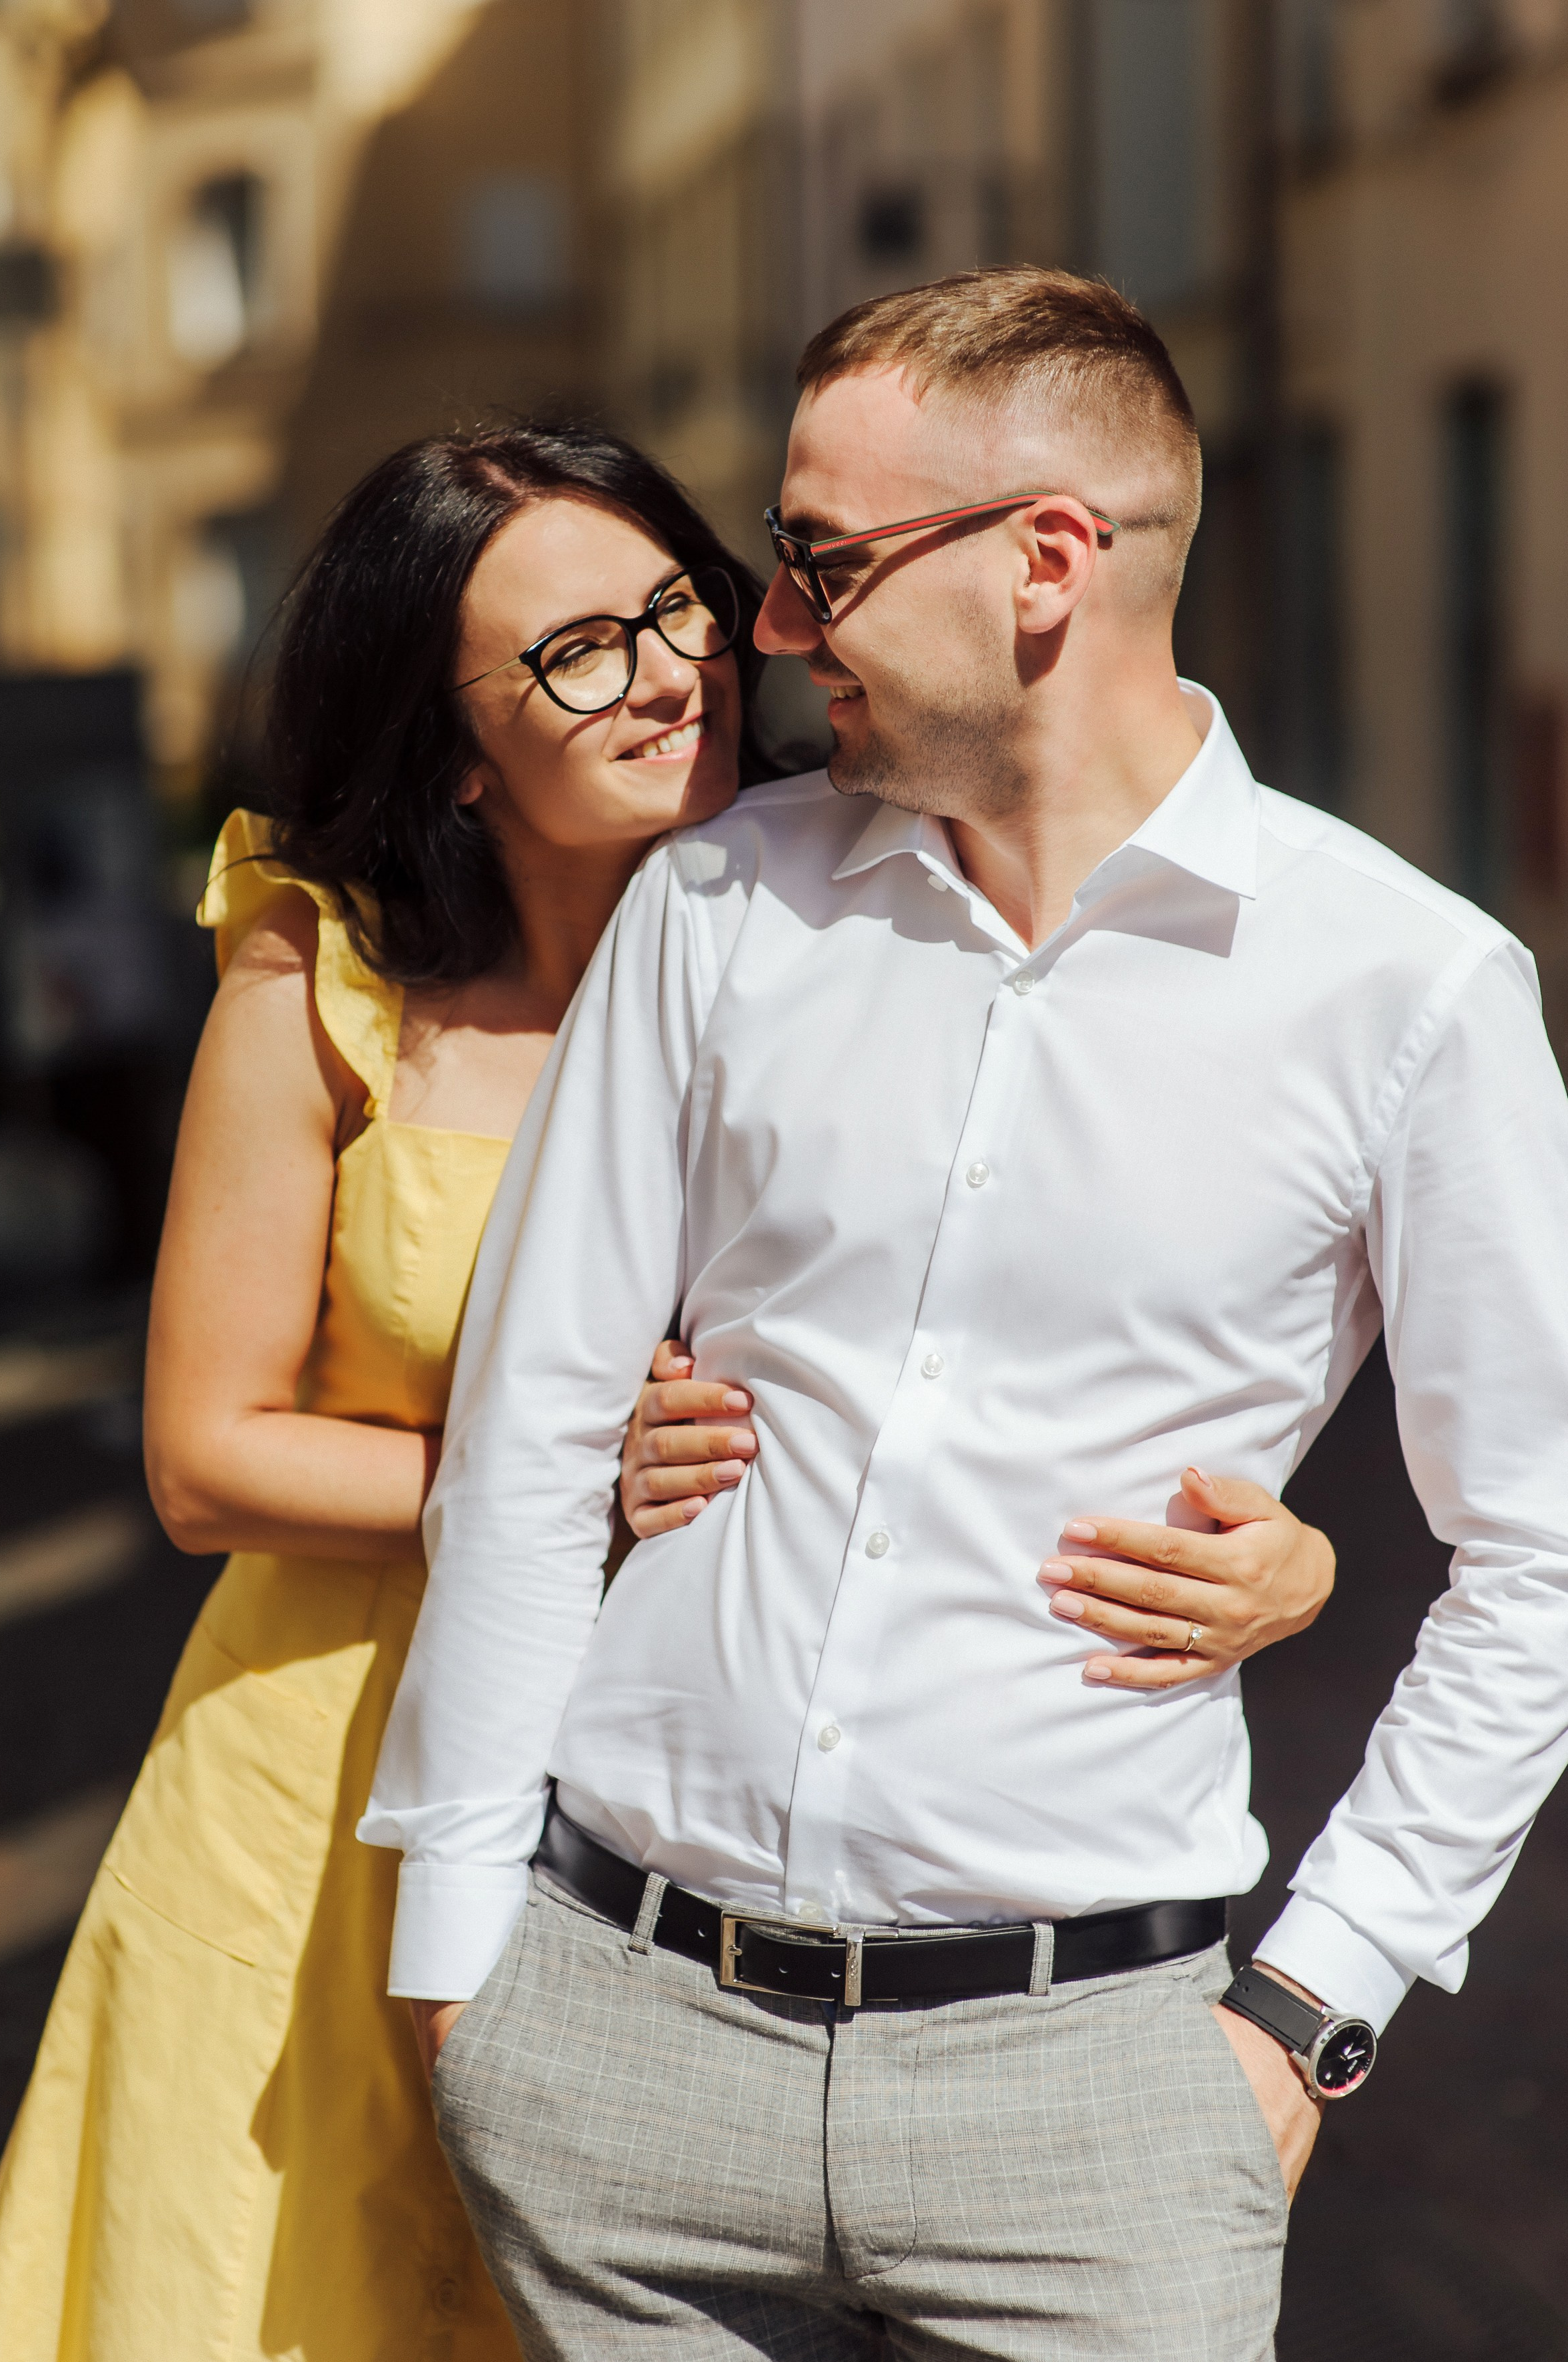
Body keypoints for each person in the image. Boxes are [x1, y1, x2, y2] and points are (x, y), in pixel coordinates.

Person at [0, 413, 1327, 2361]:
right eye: (575, 652)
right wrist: (551, 1478)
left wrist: (1283, 1553)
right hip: (329, 1777)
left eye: (678, 608)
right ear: (452, 742)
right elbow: (204, 1459)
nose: (673, 674)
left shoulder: (882, 916)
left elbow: (1076, 1304)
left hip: (686, 1826)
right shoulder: (330, 978)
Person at [363, 268, 1568, 2361]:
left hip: (1099, 2113)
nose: (770, 629)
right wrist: (463, 1968)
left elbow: (1540, 1551)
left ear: (1048, 562)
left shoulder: (1410, 991)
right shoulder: (720, 905)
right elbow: (540, 1426)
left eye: (819, 561)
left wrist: (1312, 2006)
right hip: (613, 2063)